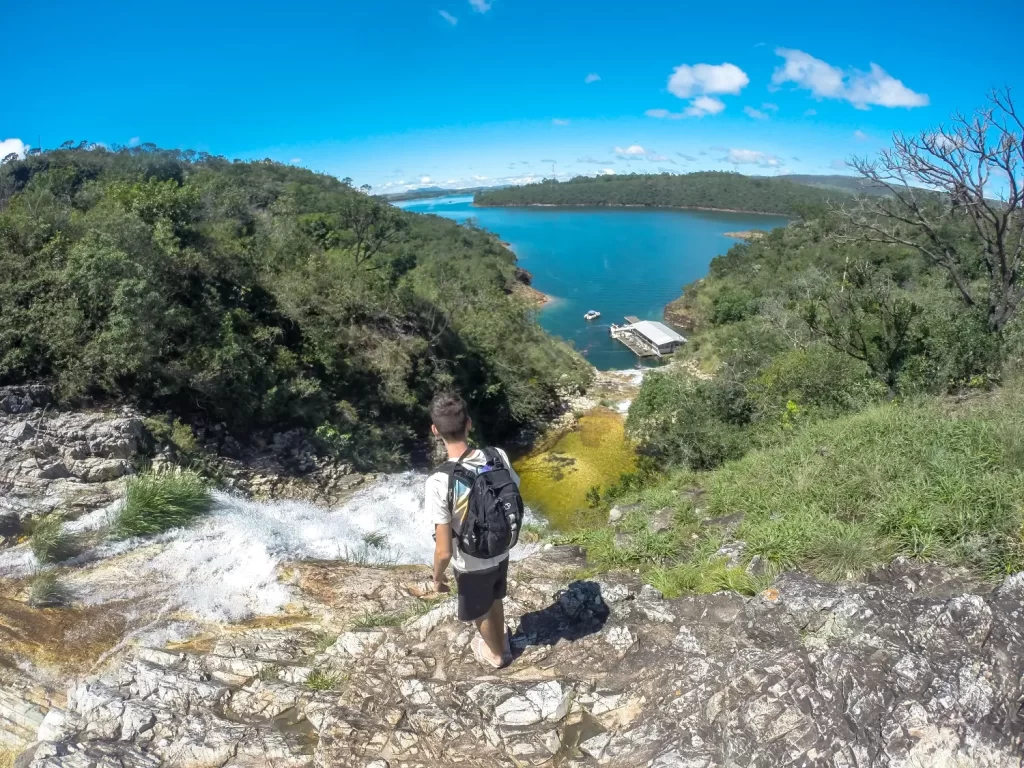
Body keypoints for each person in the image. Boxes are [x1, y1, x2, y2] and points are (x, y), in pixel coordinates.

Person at [425, 392, 521, 669]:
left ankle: (496, 654)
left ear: (435, 430)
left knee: (481, 610)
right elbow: (511, 493)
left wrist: (438, 578)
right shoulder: (497, 455)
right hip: (501, 545)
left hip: (470, 560)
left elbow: (443, 549)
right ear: (469, 423)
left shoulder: (439, 480)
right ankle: (500, 641)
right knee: (495, 596)